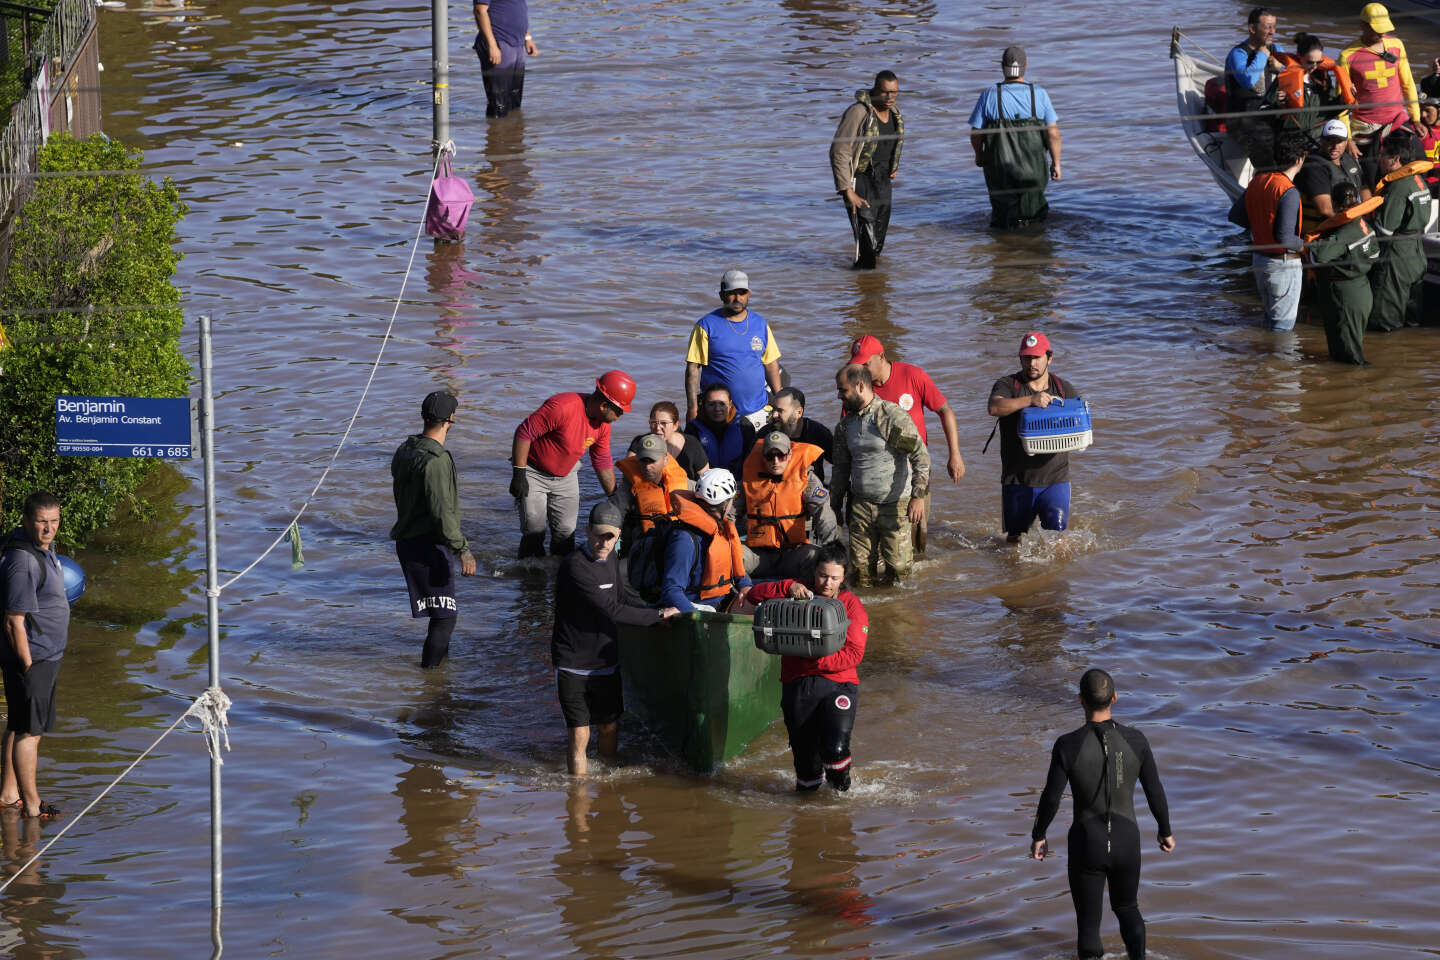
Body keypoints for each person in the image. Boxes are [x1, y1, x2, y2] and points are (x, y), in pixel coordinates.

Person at [1030, 669, 1176, 960]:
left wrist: (1039, 835)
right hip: (1127, 841)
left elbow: (1051, 797)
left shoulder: (1067, 745)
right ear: (1115, 698)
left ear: (1080, 700)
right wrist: (1165, 830)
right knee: (1127, 908)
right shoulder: (1137, 740)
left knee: (1088, 922)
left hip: (1087, 841)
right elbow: (1155, 791)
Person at [551, 502, 678, 775]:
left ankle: (608, 785)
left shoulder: (610, 561)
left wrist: (655, 613)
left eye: (610, 537)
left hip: (606, 661)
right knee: (581, 734)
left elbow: (622, 599)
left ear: (619, 535)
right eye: (598, 535)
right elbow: (612, 609)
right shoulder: (575, 566)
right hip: (573, 661)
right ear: (587, 531)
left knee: (609, 727)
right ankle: (578, 798)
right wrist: (657, 616)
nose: (603, 543)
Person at [747, 543, 867, 792]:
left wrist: (812, 658)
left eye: (835, 578)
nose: (827, 583)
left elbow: (854, 654)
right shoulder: (796, 591)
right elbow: (753, 596)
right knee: (807, 773)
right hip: (797, 684)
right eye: (823, 575)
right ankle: (806, 822)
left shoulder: (852, 605)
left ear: (844, 577)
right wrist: (786, 587)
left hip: (839, 684)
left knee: (835, 751)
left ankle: (842, 805)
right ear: (814, 571)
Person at [847, 335, 963, 555]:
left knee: (915, 542)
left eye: (865, 364)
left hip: (914, 474)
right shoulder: (858, 389)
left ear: (881, 357)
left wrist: (954, 454)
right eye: (857, 365)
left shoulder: (913, 375)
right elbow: (850, 435)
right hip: (876, 479)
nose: (860, 371)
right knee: (878, 546)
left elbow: (945, 410)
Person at [390, 392, 477, 668]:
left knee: (442, 612)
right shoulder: (436, 461)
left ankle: (440, 676)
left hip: (407, 542)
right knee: (445, 618)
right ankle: (431, 684)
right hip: (426, 545)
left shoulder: (406, 449)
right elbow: (443, 514)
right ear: (450, 419)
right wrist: (463, 550)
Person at [511, 371, 633, 558]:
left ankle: (560, 576)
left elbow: (601, 459)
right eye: (619, 410)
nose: (621, 415)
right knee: (534, 530)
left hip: (566, 476)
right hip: (533, 471)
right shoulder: (562, 407)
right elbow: (524, 433)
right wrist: (519, 474)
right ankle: (529, 580)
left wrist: (615, 498)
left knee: (565, 532)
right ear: (603, 405)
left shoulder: (603, 425)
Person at [1, 491, 70, 819]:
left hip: (44, 656)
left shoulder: (40, 547)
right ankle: (30, 805)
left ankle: (9, 794)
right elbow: (14, 620)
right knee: (30, 732)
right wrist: (28, 668)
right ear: (27, 520)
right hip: (34, 658)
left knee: (18, 724)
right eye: (42, 522)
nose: (49, 528)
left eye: (54, 521)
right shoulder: (23, 561)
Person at [832, 364, 929, 585]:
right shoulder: (845, 427)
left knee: (899, 574)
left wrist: (918, 497)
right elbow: (840, 469)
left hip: (894, 504)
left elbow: (920, 456)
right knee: (860, 575)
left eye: (843, 390)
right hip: (861, 507)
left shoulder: (889, 417)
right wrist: (835, 505)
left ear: (860, 386)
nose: (839, 396)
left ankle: (898, 616)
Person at [986, 333, 1084, 544]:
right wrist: (1031, 400)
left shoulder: (1063, 388)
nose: (1032, 363)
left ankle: (1057, 577)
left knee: (1058, 540)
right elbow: (994, 407)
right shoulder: (1008, 384)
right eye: (1027, 358)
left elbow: (1081, 419)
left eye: (1037, 357)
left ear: (1049, 358)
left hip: (1056, 478)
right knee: (1014, 542)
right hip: (1016, 480)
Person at [968, 46, 1061, 229]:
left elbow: (976, 133)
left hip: (1000, 169)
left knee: (1002, 219)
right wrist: (1056, 163)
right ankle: (1034, 247)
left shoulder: (989, 94)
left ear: (1002, 66)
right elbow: (1053, 133)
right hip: (1033, 170)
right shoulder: (1039, 94)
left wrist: (979, 155)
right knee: (1034, 216)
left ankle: (1004, 250)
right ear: (1026, 65)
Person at [1229, 131, 1308, 331]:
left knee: (1269, 322)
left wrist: (1261, 224)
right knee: (1282, 329)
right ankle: (1278, 362)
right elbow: (1284, 238)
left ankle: (1264, 361)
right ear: (1300, 159)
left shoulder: (1258, 181)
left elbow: (1235, 216)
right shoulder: (1289, 191)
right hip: (1282, 265)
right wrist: (1307, 246)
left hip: (1259, 261)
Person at [684, 269, 783, 430]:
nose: (738, 298)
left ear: (749, 294)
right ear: (722, 295)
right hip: (719, 414)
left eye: (742, 293)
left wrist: (780, 400)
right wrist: (692, 408)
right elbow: (693, 369)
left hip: (758, 410)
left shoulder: (760, 324)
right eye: (732, 293)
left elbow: (771, 364)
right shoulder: (706, 325)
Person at [738, 430, 838, 581]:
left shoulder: (807, 479)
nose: (776, 461)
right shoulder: (748, 480)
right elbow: (729, 514)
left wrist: (833, 548)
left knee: (817, 558)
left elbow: (823, 513)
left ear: (789, 455)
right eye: (770, 456)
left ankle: (816, 595)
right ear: (762, 456)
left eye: (781, 455)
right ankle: (739, 592)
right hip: (759, 555)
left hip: (793, 553)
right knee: (730, 555)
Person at [829, 70, 904, 269]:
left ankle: (870, 293)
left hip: (883, 183)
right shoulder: (858, 112)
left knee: (877, 243)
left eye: (894, 92)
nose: (890, 97)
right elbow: (839, 150)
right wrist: (847, 190)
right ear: (874, 89)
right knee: (866, 246)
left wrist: (893, 167)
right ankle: (861, 288)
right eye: (885, 92)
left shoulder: (895, 112)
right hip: (860, 182)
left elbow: (893, 144)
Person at [1339, 3, 1420, 183]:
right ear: (1363, 26)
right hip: (1367, 129)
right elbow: (1342, 102)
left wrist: (1416, 118)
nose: (1381, 34)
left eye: (1383, 29)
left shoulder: (1396, 45)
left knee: (1417, 164)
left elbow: (1408, 83)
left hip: (1398, 121)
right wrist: (1348, 139)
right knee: (1373, 178)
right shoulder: (1348, 56)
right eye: (1376, 30)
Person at [658, 469, 752, 613]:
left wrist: (745, 586)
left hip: (721, 600)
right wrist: (695, 616)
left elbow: (736, 568)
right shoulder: (684, 540)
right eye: (733, 498)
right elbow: (671, 590)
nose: (733, 503)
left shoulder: (723, 528)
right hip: (696, 606)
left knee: (760, 609)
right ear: (724, 505)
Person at [1368, 131, 1435, 332]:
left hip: (1397, 257)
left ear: (1395, 159)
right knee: (1411, 320)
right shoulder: (1419, 181)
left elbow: (1385, 230)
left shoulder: (1398, 186)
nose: (1379, 159)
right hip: (1418, 255)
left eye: (1383, 155)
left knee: (1385, 321)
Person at [1307, 182, 1380, 364]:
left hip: (1345, 293)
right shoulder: (1363, 223)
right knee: (1347, 346)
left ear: (1335, 203)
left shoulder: (1345, 230)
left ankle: (1354, 387)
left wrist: (1311, 244)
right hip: (1361, 288)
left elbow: (1319, 256)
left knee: (1349, 355)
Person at [1267, 34, 1356, 143]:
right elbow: (1264, 112)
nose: (1314, 66)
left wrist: (1343, 101)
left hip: (1317, 142)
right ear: (1299, 55)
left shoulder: (1323, 78)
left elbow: (1328, 111)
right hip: (1290, 141)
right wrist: (1280, 104)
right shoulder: (1285, 80)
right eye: (1310, 62)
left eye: (1318, 62)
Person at [1295, 119, 1370, 235]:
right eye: (1330, 141)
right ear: (1321, 140)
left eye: (1339, 141)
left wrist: (1367, 216)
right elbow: (1325, 209)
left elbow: (1364, 190)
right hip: (1327, 232)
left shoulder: (1348, 159)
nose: (1335, 146)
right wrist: (1352, 225)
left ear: (1346, 142)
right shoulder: (1314, 167)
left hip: (1353, 222)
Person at [472, 0, 538, 119]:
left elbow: (518, 8)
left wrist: (527, 37)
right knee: (499, 103)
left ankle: (514, 135)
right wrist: (492, 46)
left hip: (517, 43)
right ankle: (496, 135)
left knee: (514, 100)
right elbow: (480, 11)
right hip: (499, 43)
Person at [685, 384, 757, 479]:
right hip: (704, 482)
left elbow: (753, 461)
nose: (717, 409)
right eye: (711, 404)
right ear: (704, 404)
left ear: (730, 404)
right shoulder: (693, 428)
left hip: (737, 481)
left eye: (722, 404)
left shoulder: (744, 426)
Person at [769, 386, 833, 483]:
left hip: (810, 491)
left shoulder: (818, 433)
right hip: (777, 491)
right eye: (773, 409)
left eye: (780, 411)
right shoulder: (766, 433)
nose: (774, 415)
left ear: (798, 412)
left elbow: (841, 463)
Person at [641, 401, 708, 480]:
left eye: (663, 423)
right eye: (654, 422)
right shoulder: (641, 443)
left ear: (675, 425)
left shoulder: (692, 445)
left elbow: (706, 478)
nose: (658, 428)